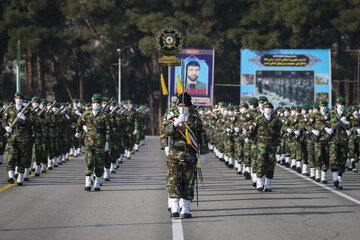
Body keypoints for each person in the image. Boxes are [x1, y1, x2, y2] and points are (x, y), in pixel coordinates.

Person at [164, 92, 209, 218]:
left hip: (190, 156)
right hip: (174, 155)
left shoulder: (195, 121)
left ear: (189, 107)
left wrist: (203, 153)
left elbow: (203, 137)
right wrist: (177, 122)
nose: (182, 107)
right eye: (180, 105)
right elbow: (165, 131)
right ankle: (175, 208)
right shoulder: (172, 118)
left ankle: (186, 208)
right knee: (174, 182)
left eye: (185, 105)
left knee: (189, 183)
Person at [76, 93, 110, 191]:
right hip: (89, 142)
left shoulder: (104, 116)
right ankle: (87, 182)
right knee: (89, 161)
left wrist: (107, 142)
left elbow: (108, 130)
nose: (95, 104)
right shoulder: (86, 114)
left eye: (97, 102)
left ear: (100, 104)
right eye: (93, 102)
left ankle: (98, 182)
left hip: (100, 142)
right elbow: (80, 122)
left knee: (99, 163)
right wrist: (79, 131)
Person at [2, 92, 33, 185]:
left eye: (20, 98)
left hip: (23, 138)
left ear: (23, 100)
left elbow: (34, 122)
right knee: (10, 156)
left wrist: (24, 119)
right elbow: (3, 120)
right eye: (17, 98)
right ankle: (11, 176)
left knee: (21, 158)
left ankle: (20, 177)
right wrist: (6, 127)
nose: (18, 99)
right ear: (14, 99)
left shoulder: (27, 110)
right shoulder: (10, 109)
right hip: (12, 138)